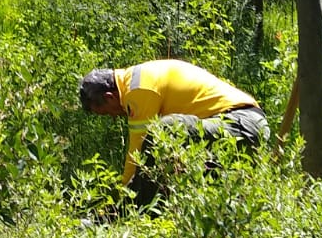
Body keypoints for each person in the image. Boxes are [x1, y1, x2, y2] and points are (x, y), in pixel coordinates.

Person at [78, 60, 269, 206]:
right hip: (235, 126)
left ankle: (133, 212)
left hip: (241, 123)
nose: (112, 117)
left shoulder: (137, 90)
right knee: (174, 161)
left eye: (106, 112)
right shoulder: (135, 78)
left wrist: (123, 197)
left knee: (165, 129)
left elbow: (137, 155)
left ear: (109, 97)